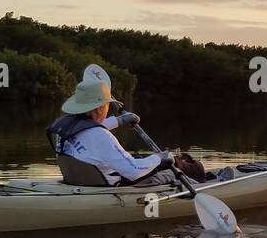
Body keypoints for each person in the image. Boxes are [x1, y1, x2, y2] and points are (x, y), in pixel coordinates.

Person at [47, 64, 208, 187]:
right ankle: (208, 182)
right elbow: (133, 172)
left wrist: (119, 120)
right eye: (107, 104)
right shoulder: (101, 136)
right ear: (98, 108)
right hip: (116, 186)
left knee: (149, 160)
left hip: (80, 182)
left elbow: (89, 134)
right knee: (174, 167)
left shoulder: (64, 127)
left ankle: (198, 173)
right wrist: (158, 158)